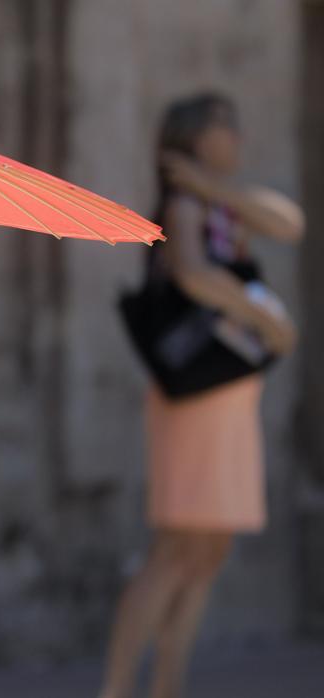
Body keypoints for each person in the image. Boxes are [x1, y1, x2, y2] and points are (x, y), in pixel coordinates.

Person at [100, 94, 304, 698]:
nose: (238, 138)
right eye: (226, 126)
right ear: (199, 136)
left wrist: (219, 189)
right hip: (197, 399)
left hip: (226, 397)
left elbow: (290, 223)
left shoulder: (212, 199)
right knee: (176, 549)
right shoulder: (184, 204)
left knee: (207, 551)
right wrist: (268, 320)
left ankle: (168, 686)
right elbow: (191, 272)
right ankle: (115, 688)